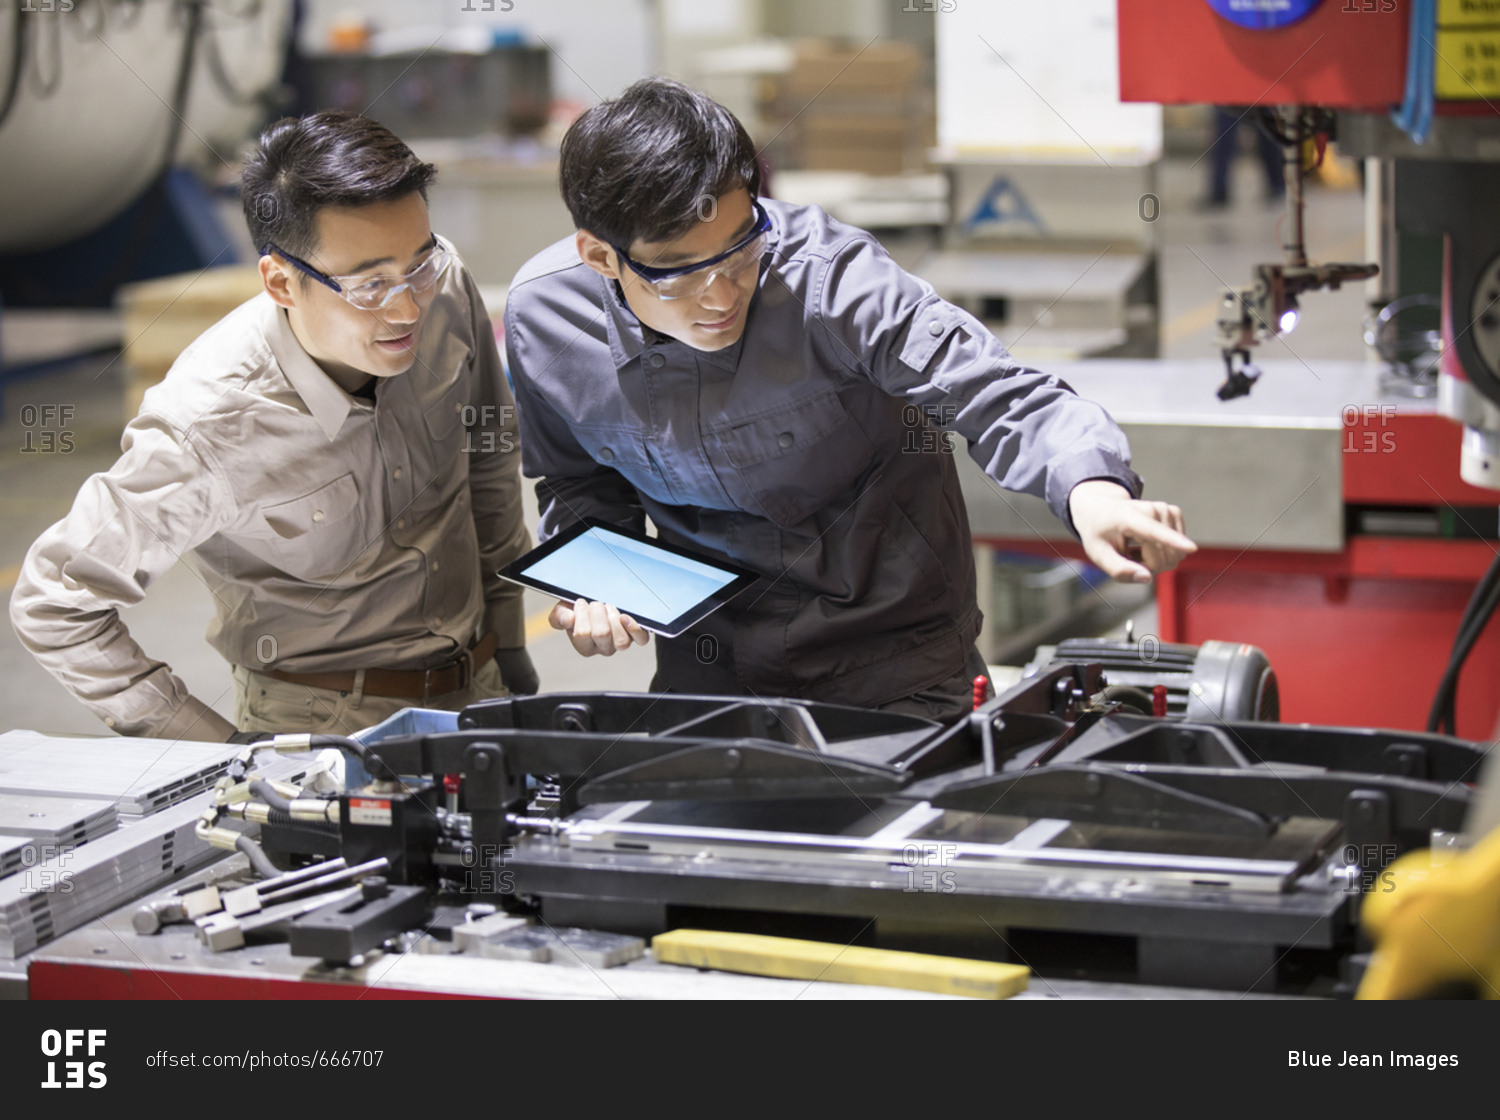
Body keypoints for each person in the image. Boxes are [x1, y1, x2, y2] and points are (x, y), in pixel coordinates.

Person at [504, 78, 1195, 722]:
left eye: (740, 254)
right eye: (681, 275)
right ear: (600, 258)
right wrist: (599, 579)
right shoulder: (548, 320)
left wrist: (1092, 491)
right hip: (711, 670)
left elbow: (993, 390)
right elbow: (577, 479)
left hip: (895, 664)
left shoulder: (833, 283)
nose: (719, 296)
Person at [10, 111, 536, 742]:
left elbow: (489, 460)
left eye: (417, 266)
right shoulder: (208, 426)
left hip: (481, 685)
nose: (406, 306)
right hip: (323, 727)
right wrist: (215, 750)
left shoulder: (444, 287)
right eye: (369, 285)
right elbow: (52, 604)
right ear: (282, 280)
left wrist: (506, 634)